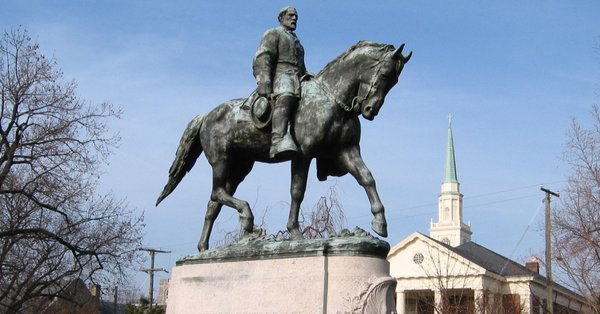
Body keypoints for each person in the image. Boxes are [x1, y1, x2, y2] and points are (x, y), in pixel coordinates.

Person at [253, 6, 307, 159]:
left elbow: (301, 66)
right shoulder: (274, 33)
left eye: (296, 16)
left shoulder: (298, 43)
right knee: (287, 94)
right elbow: (263, 57)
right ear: (281, 17)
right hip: (281, 76)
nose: (294, 18)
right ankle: (278, 139)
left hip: (297, 77)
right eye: (291, 15)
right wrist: (263, 80)